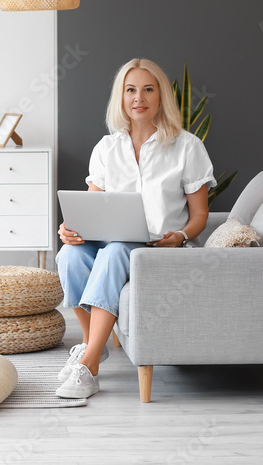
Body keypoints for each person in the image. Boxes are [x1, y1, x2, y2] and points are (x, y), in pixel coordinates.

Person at [54, 58, 215, 399]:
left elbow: (200, 215)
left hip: (159, 248)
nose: (138, 97)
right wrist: (70, 229)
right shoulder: (107, 148)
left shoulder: (187, 147)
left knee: (113, 253)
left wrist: (182, 236)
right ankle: (89, 347)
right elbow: (90, 206)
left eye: (148, 89)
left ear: (160, 97)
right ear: (121, 98)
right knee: (70, 255)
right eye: (130, 90)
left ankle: (90, 363)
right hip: (112, 239)